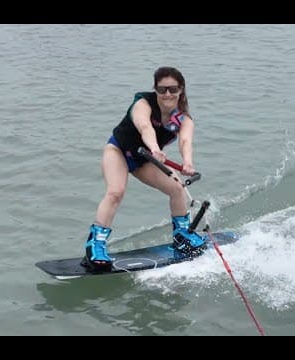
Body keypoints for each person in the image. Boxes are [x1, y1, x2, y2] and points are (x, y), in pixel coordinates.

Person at [82, 66, 207, 271]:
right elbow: (145, 127)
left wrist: (188, 162)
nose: (167, 94)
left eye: (173, 89)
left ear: (181, 90)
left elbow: (185, 141)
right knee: (115, 192)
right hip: (119, 152)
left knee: (177, 188)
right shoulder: (143, 103)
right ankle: (95, 245)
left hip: (144, 159)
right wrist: (155, 148)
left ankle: (181, 237)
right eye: (162, 89)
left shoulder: (183, 118)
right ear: (155, 90)